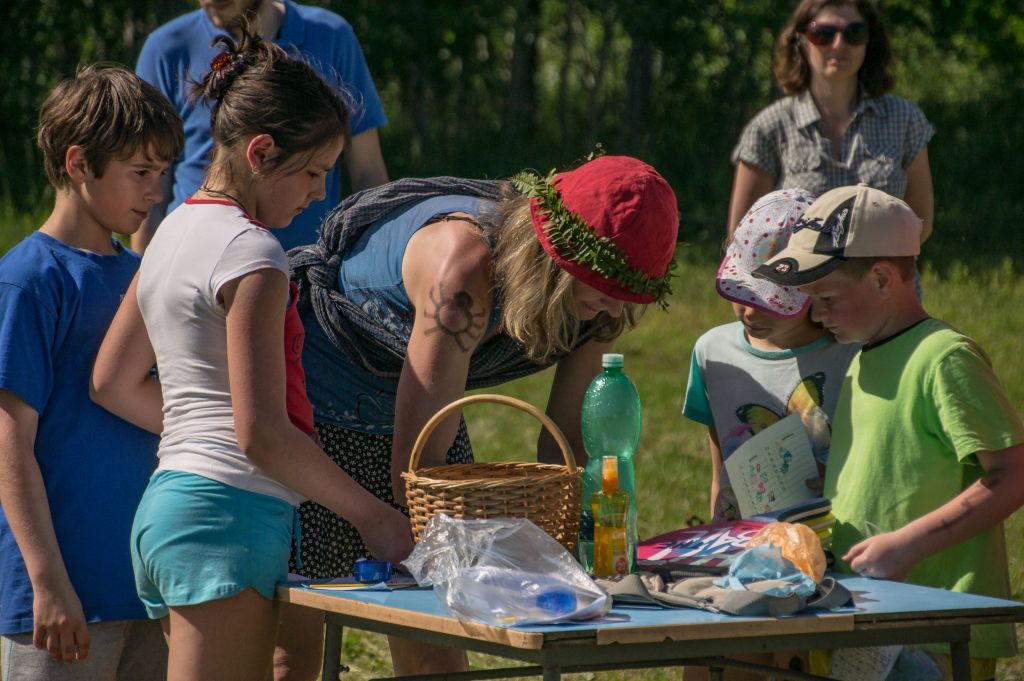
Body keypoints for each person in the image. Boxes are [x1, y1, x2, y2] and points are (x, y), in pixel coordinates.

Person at [90, 31, 412, 681]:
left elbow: (112, 381)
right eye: (314, 172)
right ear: (261, 152)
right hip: (226, 521)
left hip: (167, 513)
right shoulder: (253, 254)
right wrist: (375, 516)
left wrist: (200, 430)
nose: (319, 194)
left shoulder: (170, 231)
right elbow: (260, 432)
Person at [287, 153, 680, 675]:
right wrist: (468, 549)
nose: (615, 309)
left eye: (628, 297)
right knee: (294, 648)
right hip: (323, 404)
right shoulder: (464, 272)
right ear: (557, 263)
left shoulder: (600, 301)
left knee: (437, 651)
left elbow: (567, 441)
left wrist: (579, 541)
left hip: (427, 405)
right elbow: (416, 471)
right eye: (607, 292)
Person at [753, 184, 1024, 679]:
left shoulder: (943, 358)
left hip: (932, 625)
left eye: (826, 297)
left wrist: (907, 546)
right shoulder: (863, 358)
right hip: (865, 613)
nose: (816, 314)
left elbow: (1013, 474)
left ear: (881, 278)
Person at [0, 64, 183, 679]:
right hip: (61, 599)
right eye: (140, 172)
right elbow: (8, 445)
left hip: (149, 588)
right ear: (78, 163)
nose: (156, 191)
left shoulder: (144, 276)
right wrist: (47, 581)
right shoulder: (28, 281)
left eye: (163, 173)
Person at [680, 189, 858, 681]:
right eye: (741, 294)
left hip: (823, 562)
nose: (749, 313)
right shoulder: (712, 353)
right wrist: (714, 535)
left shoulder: (852, 357)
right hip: (734, 558)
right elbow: (719, 462)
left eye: (769, 301)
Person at [132, 0, 389, 253]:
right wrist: (146, 266)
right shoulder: (164, 48)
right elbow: (149, 185)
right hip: (199, 254)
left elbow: (368, 172)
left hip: (313, 264)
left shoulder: (332, 35)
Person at [727, 0, 934, 243]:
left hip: (884, 268)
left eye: (854, 33)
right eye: (823, 34)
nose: (839, 44)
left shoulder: (904, 118)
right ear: (801, 40)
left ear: (870, 40)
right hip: (795, 270)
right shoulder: (768, 128)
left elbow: (921, 224)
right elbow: (742, 240)